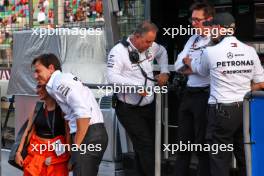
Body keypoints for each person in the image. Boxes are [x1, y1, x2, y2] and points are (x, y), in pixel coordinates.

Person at [184, 12, 264, 176]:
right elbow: (261, 82)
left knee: (219, 158)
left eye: (212, 28)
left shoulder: (210, 52)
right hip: (245, 110)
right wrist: (243, 90)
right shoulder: (250, 50)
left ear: (218, 28)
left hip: (221, 112)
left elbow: (199, 70)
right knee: (245, 155)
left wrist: (189, 62)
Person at [106, 21, 169, 176]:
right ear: (136, 36)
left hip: (149, 105)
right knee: (145, 144)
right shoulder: (118, 51)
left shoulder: (151, 46)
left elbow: (162, 52)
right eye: (147, 41)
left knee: (150, 145)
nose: (150, 45)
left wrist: (165, 72)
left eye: (152, 41)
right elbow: (111, 77)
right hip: (129, 109)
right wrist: (135, 86)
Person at [31, 53, 108, 176]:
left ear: (51, 68)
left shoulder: (60, 82)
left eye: (38, 71)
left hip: (88, 134)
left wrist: (76, 147)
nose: (35, 76)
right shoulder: (59, 81)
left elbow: (83, 114)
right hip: (90, 133)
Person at [173, 2, 215, 176]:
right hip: (188, 94)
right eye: (192, 19)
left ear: (209, 20)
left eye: (198, 20)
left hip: (206, 95)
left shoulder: (216, 40)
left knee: (202, 145)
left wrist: (192, 65)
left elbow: (208, 70)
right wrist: (191, 66)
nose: (193, 23)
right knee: (182, 144)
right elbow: (177, 65)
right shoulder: (193, 39)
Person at [15, 84, 70, 176]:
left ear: (49, 88)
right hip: (35, 154)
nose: (37, 91)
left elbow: (68, 134)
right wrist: (18, 152)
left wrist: (71, 157)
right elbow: (27, 131)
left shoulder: (62, 109)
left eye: (40, 87)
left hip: (57, 156)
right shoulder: (37, 107)